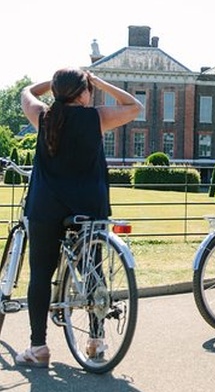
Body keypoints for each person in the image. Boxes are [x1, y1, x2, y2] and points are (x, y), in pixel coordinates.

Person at [16, 68, 143, 368]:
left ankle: (38, 348)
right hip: (88, 206)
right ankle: (96, 341)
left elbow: (26, 94)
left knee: (40, 276)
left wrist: (54, 85)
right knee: (93, 271)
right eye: (88, 88)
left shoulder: (44, 116)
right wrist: (98, 81)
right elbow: (134, 107)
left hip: (47, 206)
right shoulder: (96, 117)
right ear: (83, 92)